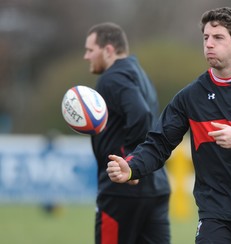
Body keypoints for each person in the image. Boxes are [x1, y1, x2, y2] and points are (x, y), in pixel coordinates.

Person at [106, 7, 231, 244]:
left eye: (218, 38)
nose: (209, 44)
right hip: (215, 214)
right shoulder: (191, 97)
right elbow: (158, 143)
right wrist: (131, 167)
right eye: (206, 38)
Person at [83, 22, 171, 244]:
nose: (86, 56)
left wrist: (131, 163)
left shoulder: (111, 77)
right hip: (156, 187)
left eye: (90, 50)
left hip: (121, 190)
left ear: (108, 50)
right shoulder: (140, 74)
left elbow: (140, 114)